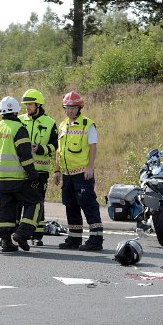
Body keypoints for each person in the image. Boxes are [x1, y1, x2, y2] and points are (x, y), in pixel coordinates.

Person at [53, 90, 103, 251]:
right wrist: (57, 170)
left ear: (80, 107)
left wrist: (90, 167)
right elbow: (59, 150)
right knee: (70, 205)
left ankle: (96, 239)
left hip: (82, 173)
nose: (70, 110)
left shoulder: (87, 124)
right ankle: (74, 239)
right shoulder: (62, 125)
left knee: (88, 205)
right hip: (67, 174)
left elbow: (93, 147)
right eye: (67, 107)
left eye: (73, 107)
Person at [0, 96, 41, 253]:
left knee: (7, 209)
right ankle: (22, 234)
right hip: (19, 179)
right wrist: (33, 175)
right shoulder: (19, 129)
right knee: (36, 203)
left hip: (1, 180)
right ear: (16, 110)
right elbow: (25, 156)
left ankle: (6, 241)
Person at [18, 88, 58, 246]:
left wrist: (40, 149)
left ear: (38, 105)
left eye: (30, 104)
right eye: (25, 105)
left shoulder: (50, 123)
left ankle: (37, 234)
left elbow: (56, 145)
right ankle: (20, 232)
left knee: (38, 202)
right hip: (21, 170)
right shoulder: (20, 120)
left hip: (40, 171)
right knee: (20, 202)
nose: (27, 107)